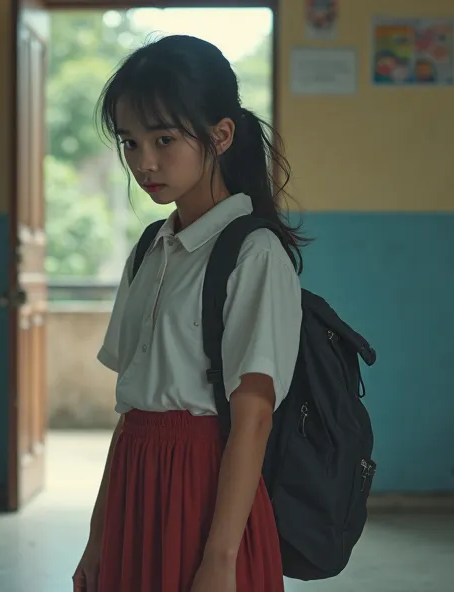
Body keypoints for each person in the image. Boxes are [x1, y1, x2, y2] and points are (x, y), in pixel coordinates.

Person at [72, 35, 304, 592]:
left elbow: (253, 416)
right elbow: (130, 411)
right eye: (130, 142)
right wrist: (98, 537)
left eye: (165, 139)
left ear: (220, 135)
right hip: (136, 482)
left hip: (205, 492)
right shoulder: (149, 249)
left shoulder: (254, 252)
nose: (144, 161)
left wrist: (221, 558)